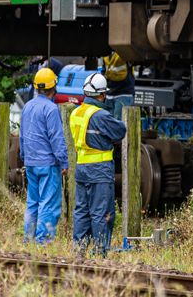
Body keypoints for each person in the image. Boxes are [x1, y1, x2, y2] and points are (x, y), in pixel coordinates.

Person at [71, 72, 127, 254]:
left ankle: (78, 250)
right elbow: (120, 131)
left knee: (82, 211)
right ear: (101, 94)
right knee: (101, 213)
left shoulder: (77, 112)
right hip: (99, 170)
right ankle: (100, 252)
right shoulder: (100, 115)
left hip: (81, 168)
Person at [19, 67, 67, 243]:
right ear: (54, 87)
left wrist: (25, 157)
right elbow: (56, 138)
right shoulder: (51, 109)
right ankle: (43, 242)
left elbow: (23, 135)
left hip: (31, 162)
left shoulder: (27, 107)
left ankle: (28, 239)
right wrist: (64, 162)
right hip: (48, 163)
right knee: (48, 203)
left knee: (32, 203)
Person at [104, 52, 135, 119]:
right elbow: (105, 71)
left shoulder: (124, 51)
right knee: (108, 122)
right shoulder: (106, 54)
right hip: (110, 93)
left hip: (123, 93)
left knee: (119, 122)